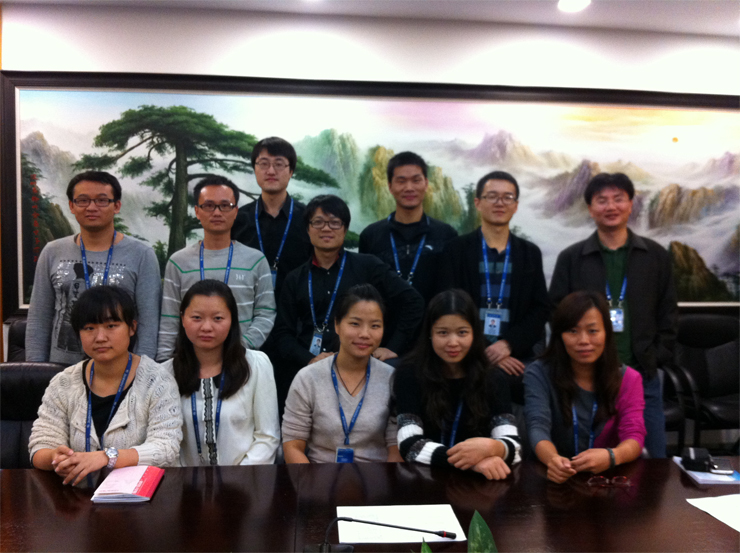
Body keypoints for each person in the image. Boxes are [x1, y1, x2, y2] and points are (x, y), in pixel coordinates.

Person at [549, 172, 676, 459]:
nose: (611, 206)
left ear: (631, 204)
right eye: (602, 200)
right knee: (584, 459)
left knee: (652, 461)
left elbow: (668, 312)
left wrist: (656, 357)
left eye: (618, 199)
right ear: (590, 208)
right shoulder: (572, 258)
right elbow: (557, 313)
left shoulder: (655, 256)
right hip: (585, 380)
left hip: (641, 375)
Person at [271, 194, 424, 411]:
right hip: (309, 373)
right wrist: (309, 360)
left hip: (362, 370)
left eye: (334, 222)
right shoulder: (295, 278)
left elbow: (413, 301)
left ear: (345, 229)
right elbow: (282, 334)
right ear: (308, 229)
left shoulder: (368, 266)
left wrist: (393, 347)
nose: (326, 228)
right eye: (318, 222)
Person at [28, 286, 182, 486]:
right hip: (77, 497)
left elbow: (166, 448)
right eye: (89, 328)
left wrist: (107, 457)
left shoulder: (157, 380)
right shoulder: (64, 382)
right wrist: (55, 457)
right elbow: (40, 445)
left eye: (111, 326)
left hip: (140, 497)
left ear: (132, 327)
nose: (100, 337)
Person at [26, 171, 161, 364]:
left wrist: (140, 371)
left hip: (120, 370)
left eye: (102, 200)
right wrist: (36, 369)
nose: (91, 207)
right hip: (60, 367)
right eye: (83, 200)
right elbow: (39, 317)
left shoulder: (142, 254)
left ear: (117, 206)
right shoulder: (52, 252)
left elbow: (148, 323)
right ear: (72, 206)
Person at [440, 171, 550, 403]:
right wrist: (485, 351)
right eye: (492, 196)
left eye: (507, 197)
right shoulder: (455, 250)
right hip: (463, 352)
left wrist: (507, 345)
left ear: (516, 205)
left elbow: (540, 308)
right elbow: (449, 306)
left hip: (515, 354)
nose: (500, 203)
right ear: (478, 203)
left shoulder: (529, 253)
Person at [395, 289, 521, 480]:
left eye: (462, 332)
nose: (453, 342)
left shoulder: (493, 378)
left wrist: (494, 448)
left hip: (479, 485)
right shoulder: (409, 374)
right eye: (443, 332)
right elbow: (409, 444)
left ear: (474, 334)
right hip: (425, 479)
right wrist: (471, 462)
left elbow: (515, 448)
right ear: (430, 334)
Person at [524, 290, 646, 484]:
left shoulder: (629, 379)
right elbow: (537, 425)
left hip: (608, 481)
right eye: (573, 331)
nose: (583, 340)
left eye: (593, 331)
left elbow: (634, 435)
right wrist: (553, 460)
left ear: (606, 333)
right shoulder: (538, 373)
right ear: (559, 336)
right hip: (553, 477)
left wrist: (613, 456)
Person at [162, 280, 280, 466]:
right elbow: (162, 442)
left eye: (217, 318)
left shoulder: (257, 365)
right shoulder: (165, 373)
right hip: (184, 481)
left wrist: (235, 478)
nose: (206, 327)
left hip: (244, 480)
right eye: (197, 318)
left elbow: (267, 437)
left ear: (232, 319)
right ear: (183, 319)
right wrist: (185, 478)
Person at [157, 176, 275, 360]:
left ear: (235, 211)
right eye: (209, 205)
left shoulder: (255, 261)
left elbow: (265, 313)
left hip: (241, 361)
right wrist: (164, 361)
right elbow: (170, 318)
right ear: (197, 211)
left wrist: (240, 347)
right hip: (190, 363)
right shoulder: (178, 262)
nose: (217, 212)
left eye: (225, 205)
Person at [282, 284, 402, 463]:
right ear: (337, 325)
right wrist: (310, 481)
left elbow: (395, 448)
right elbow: (292, 445)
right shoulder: (308, 378)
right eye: (355, 324)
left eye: (375, 326)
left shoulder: (393, 379)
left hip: (376, 478)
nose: (365, 334)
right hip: (317, 476)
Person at [359, 151, 457, 304]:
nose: (409, 188)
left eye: (416, 180)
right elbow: (365, 292)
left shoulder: (446, 235)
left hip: (433, 319)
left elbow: (452, 290)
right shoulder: (371, 236)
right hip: (386, 319)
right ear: (390, 186)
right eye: (401, 181)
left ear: (426, 184)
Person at [231, 137, 313, 298]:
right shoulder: (237, 218)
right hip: (247, 306)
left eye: (279, 164)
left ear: (291, 171)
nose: (271, 171)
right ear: (254, 169)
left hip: (297, 308)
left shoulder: (309, 218)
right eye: (264, 164)